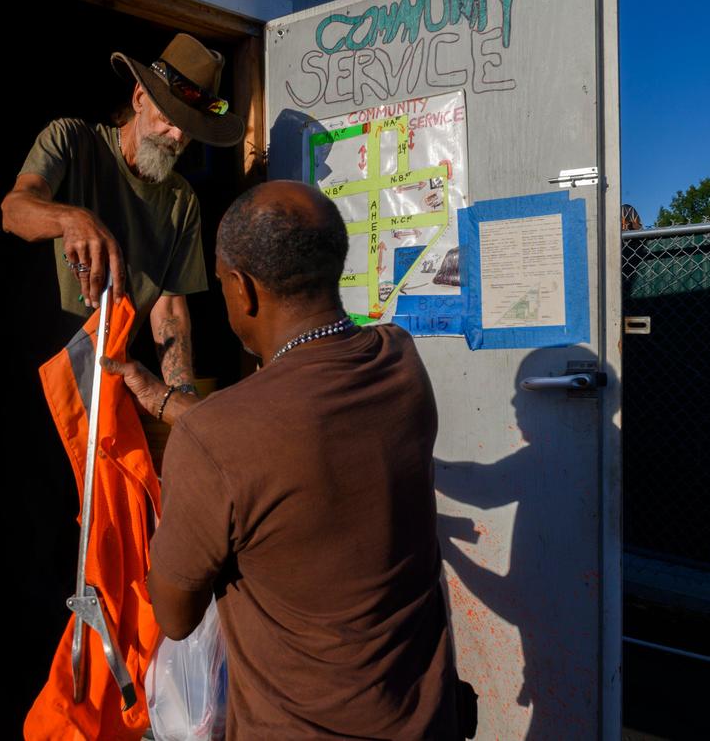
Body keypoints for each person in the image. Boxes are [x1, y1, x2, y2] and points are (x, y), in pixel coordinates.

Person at [105, 181, 460, 738]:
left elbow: (175, 617)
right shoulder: (400, 361)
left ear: (241, 290)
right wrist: (174, 405)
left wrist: (191, 441)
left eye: (219, 282)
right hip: (423, 718)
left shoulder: (213, 440)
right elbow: (297, 427)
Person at [1, 32, 244, 388]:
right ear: (140, 97)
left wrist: (183, 395)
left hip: (103, 385)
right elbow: (13, 210)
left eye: (189, 130)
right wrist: (73, 218)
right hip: (35, 374)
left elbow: (171, 311)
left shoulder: (182, 199)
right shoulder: (71, 140)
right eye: (170, 119)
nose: (177, 137)